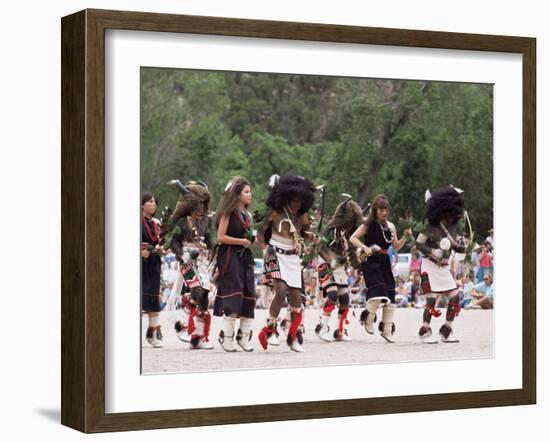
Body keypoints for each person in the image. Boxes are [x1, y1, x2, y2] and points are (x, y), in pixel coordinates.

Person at [256, 175, 316, 352]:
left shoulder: (303, 216)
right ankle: (271, 329)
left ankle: (294, 336)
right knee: (281, 291)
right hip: (274, 254)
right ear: (287, 197)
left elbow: (302, 234)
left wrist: (311, 236)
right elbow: (260, 233)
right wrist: (264, 248)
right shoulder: (275, 211)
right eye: (294, 200)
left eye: (300, 201)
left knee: (297, 299)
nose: (297, 204)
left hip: (292, 258)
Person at [350, 194, 412, 343]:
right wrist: (364, 247)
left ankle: (387, 330)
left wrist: (406, 237)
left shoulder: (391, 226)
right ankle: (367, 318)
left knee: (390, 297)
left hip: (385, 262)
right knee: (379, 293)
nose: (384, 213)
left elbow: (395, 246)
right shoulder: (368, 224)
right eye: (380, 210)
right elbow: (353, 238)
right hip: (371, 261)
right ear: (375, 210)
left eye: (386, 210)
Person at [160, 179, 214, 350]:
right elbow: (174, 242)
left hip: (203, 261)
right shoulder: (182, 222)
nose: (200, 207)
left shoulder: (206, 221)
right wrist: (182, 256)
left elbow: (210, 240)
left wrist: (214, 250)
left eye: (202, 203)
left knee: (204, 296)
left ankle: (198, 337)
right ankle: (182, 320)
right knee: (196, 290)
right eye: (197, 203)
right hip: (186, 260)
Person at [415, 185, 467, 343]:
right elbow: (418, 244)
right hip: (428, 265)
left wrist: (462, 247)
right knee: (431, 299)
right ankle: (424, 331)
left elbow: (456, 248)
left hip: (444, 269)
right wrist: (432, 251)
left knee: (455, 297)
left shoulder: (453, 226)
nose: (453, 216)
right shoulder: (430, 225)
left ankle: (446, 330)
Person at [213, 177, 256, 352]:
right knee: (234, 294)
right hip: (229, 256)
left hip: (245, 257)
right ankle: (227, 338)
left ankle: (244, 337)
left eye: (250, 191)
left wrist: (250, 241)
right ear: (237, 194)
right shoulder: (228, 213)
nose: (250, 194)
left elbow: (248, 239)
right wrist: (241, 241)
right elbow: (220, 237)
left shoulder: (249, 215)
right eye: (246, 191)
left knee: (249, 294)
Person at [315, 197, 364, 342]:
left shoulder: (350, 234)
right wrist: (332, 259)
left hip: (340, 268)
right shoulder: (331, 230)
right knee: (332, 294)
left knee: (344, 298)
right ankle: (322, 327)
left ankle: (340, 330)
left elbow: (352, 254)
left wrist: (360, 266)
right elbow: (319, 247)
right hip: (325, 264)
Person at [141, 192, 164, 348]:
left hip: (154, 262)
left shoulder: (157, 223)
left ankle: (152, 334)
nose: (153, 205)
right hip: (140, 262)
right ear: (143, 204)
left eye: (155, 202)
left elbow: (161, 240)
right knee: (139, 297)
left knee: (154, 298)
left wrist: (162, 247)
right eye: (149, 202)